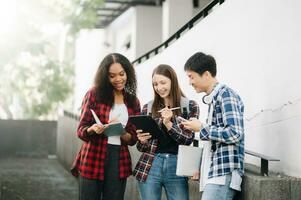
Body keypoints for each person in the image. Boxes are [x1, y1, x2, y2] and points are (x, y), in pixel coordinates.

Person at [71, 53, 141, 200]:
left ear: (127, 73)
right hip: (93, 157)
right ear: (105, 77)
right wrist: (92, 129)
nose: (118, 79)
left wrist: (120, 131)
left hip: (118, 159)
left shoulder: (133, 101)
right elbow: (81, 130)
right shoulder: (93, 94)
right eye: (112, 76)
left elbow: (133, 139)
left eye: (121, 74)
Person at [181, 52, 245, 200]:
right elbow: (214, 142)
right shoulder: (214, 98)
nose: (190, 82)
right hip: (215, 173)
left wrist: (201, 128)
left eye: (191, 77)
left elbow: (235, 133)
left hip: (223, 173)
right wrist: (200, 167)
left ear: (206, 75)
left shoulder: (226, 95)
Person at [133, 64, 200, 200]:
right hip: (150, 164)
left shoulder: (189, 106)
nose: (159, 87)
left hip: (176, 165)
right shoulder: (148, 108)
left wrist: (169, 124)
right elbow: (141, 147)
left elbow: (188, 140)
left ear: (172, 81)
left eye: (163, 82)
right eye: (155, 84)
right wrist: (142, 140)